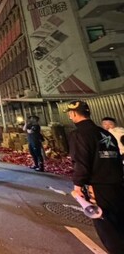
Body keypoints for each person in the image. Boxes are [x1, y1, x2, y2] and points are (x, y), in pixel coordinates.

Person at [66, 100, 124, 254]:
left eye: (70, 114)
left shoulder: (78, 134)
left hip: (98, 187)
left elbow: (81, 161)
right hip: (117, 184)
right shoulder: (105, 133)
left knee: (107, 228)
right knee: (119, 222)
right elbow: (117, 158)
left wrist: (77, 186)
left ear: (72, 113)